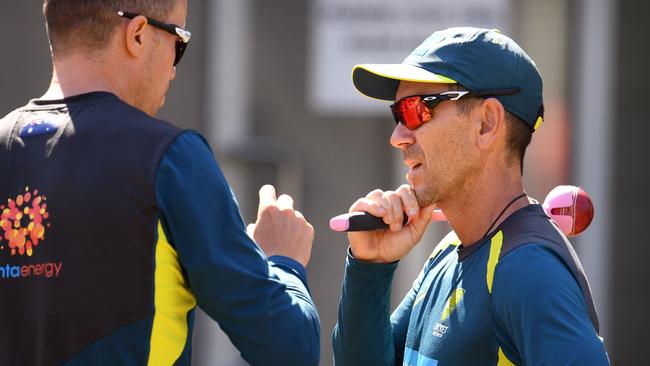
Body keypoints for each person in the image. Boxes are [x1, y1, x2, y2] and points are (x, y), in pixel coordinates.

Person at [0, 1, 319, 365]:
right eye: (178, 40)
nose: (173, 69)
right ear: (136, 34)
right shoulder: (169, 158)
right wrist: (284, 262)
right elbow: (290, 349)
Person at [332, 27, 609, 365]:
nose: (398, 136)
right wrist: (370, 267)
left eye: (416, 110)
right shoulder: (449, 252)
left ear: (487, 124)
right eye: (397, 114)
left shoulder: (529, 271)